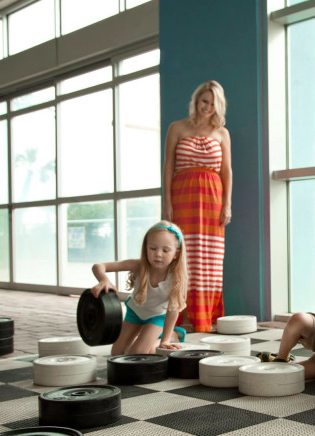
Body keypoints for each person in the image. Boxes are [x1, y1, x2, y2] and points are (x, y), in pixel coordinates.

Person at [162, 80, 232, 333]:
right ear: (196, 101)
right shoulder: (177, 127)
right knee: (183, 254)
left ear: (219, 106)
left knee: (209, 259)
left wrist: (227, 205)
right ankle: (178, 313)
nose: (208, 107)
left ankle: (204, 314)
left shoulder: (222, 133)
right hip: (183, 197)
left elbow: (226, 171)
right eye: (204, 101)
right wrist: (166, 203)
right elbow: (168, 166)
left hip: (212, 200)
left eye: (213, 103)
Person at [90, 221, 188, 355]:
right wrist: (104, 280)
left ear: (176, 254)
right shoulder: (138, 266)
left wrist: (165, 341)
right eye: (153, 248)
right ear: (146, 248)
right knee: (116, 353)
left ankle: (172, 335)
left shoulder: (176, 277)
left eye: (165, 250)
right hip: (135, 313)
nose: (158, 254)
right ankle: (153, 337)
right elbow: (98, 266)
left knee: (139, 353)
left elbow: (173, 310)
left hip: (157, 316)